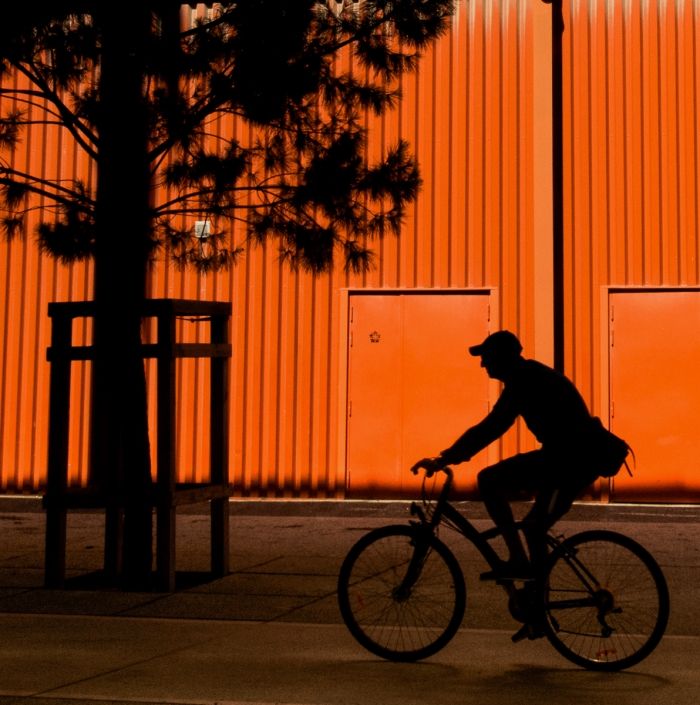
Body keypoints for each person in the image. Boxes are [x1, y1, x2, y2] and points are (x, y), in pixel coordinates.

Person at [412, 330, 605, 589]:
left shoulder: (525, 381)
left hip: (573, 461)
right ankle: (535, 603)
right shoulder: (526, 376)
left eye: (486, 357)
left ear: (503, 357)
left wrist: (446, 458)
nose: (482, 363)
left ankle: (521, 568)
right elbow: (493, 426)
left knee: (500, 490)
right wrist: (450, 457)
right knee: (530, 523)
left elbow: (492, 427)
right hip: (562, 457)